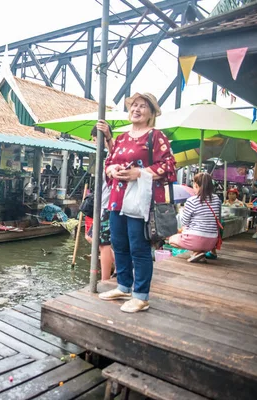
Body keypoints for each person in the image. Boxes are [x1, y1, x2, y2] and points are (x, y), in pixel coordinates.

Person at [97, 92, 176, 313]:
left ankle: (141, 295)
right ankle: (123, 286)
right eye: (133, 105)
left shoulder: (156, 136)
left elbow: (169, 166)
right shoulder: (121, 138)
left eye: (142, 106)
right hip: (118, 200)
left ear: (151, 113)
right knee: (118, 243)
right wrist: (112, 169)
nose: (136, 109)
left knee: (138, 247)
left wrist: (139, 173)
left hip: (142, 202)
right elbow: (110, 162)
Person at [168, 173, 222, 263]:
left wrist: (183, 211)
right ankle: (199, 252)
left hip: (196, 239)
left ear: (196, 185)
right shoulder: (217, 199)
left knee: (171, 240)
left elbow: (184, 221)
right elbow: (218, 219)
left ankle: (197, 251)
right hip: (212, 242)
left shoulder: (192, 200)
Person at [85, 126, 114, 281]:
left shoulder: (112, 154)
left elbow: (114, 150)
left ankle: (105, 280)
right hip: (103, 204)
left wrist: (108, 138)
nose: (94, 142)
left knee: (103, 244)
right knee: (92, 238)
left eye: (95, 139)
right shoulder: (105, 158)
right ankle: (122, 265)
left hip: (108, 205)